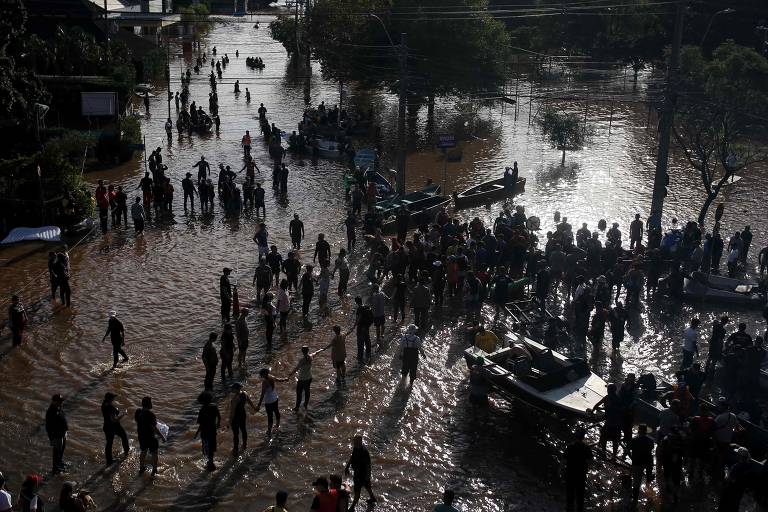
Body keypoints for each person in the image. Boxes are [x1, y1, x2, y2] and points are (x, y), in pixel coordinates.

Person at [135, 396, 165, 476]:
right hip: (150, 437)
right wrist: (162, 436)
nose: (152, 404)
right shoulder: (151, 414)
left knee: (143, 451)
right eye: (151, 402)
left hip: (141, 436)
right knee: (154, 453)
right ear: (148, 404)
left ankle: (141, 468)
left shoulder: (138, 412)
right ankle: (154, 470)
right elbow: (155, 428)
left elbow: (138, 422)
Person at [564, 428, 592, 512]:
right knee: (580, 495)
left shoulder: (570, 446)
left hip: (570, 472)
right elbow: (590, 461)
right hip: (581, 473)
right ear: (583, 437)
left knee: (570, 493)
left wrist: (560, 470)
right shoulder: (587, 448)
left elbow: (564, 460)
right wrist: (587, 469)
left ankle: (569, 509)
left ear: (576, 436)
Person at [345, 435, 377, 508]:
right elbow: (352, 457)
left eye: (356, 441)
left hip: (362, 474)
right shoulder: (355, 448)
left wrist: (367, 477)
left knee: (357, 491)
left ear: (360, 441)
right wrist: (347, 466)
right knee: (368, 487)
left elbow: (368, 466)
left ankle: (352, 507)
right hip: (357, 472)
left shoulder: (364, 452)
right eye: (354, 441)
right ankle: (373, 498)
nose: (354, 443)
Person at [289, 345, 324, 410]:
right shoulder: (311, 357)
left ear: (302, 351)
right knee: (307, 391)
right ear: (308, 350)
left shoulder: (302, 360)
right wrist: (321, 349)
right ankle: (305, 404)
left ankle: (297, 407)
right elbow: (316, 352)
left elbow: (296, 369)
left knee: (299, 393)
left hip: (302, 379)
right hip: (309, 378)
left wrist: (289, 375)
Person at [256, 368, 288, 438]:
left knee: (270, 416)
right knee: (276, 411)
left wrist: (258, 405)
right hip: (275, 398)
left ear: (264, 374)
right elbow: (279, 380)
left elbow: (262, 394)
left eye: (261, 374)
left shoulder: (264, 382)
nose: (260, 376)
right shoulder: (272, 377)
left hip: (269, 401)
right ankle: (277, 425)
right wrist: (285, 379)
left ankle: (269, 430)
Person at [194, 391, 221, 471]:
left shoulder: (202, 410)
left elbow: (201, 424)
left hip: (205, 432)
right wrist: (218, 424)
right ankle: (211, 462)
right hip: (212, 430)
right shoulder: (214, 407)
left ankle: (210, 463)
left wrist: (197, 432)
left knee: (206, 448)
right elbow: (219, 417)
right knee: (211, 447)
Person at [629, 424, 655, 505]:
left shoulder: (634, 440)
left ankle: (635, 500)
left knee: (636, 482)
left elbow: (628, 449)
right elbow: (651, 449)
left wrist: (630, 457)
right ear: (646, 432)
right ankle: (649, 495)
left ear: (638, 431)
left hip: (637, 462)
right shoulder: (651, 440)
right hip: (648, 461)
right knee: (649, 478)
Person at [228, 382, 257, 453]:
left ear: (236, 389)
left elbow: (232, 412)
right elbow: (250, 402)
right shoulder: (245, 393)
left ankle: (235, 449)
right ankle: (244, 444)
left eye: (233, 388)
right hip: (243, 414)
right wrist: (254, 408)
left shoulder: (235, 398)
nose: (231, 389)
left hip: (236, 417)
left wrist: (229, 422)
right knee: (243, 429)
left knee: (236, 434)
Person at [102, 392, 129, 466]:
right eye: (113, 397)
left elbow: (110, 415)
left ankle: (109, 461)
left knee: (109, 443)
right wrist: (124, 414)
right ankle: (126, 453)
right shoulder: (110, 408)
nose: (114, 398)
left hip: (106, 426)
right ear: (110, 399)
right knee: (124, 437)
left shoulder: (103, 404)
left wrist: (116, 410)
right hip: (114, 427)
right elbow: (114, 420)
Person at [46, 393, 68, 474]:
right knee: (56, 452)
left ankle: (60, 462)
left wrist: (66, 431)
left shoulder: (59, 407)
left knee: (62, 449)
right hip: (57, 436)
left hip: (63, 433)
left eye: (61, 401)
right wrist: (51, 439)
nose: (61, 402)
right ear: (54, 401)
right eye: (59, 401)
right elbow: (48, 427)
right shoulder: (51, 412)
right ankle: (55, 468)